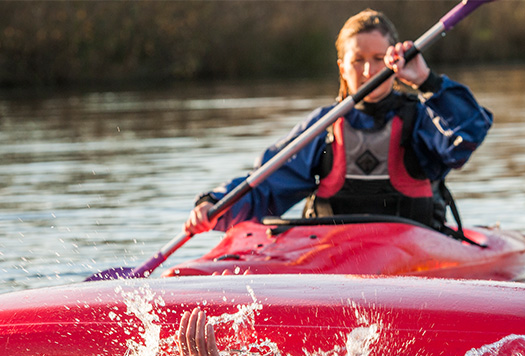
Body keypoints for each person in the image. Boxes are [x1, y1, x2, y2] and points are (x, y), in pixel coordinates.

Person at [184, 8, 493, 238]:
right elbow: (265, 186)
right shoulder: (324, 128)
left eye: (377, 58)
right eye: (358, 60)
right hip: (334, 258)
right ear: (342, 68)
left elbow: (469, 133)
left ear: (394, 62)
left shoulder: (422, 118)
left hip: (414, 253)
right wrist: (214, 204)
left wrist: (426, 80)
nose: (369, 70)